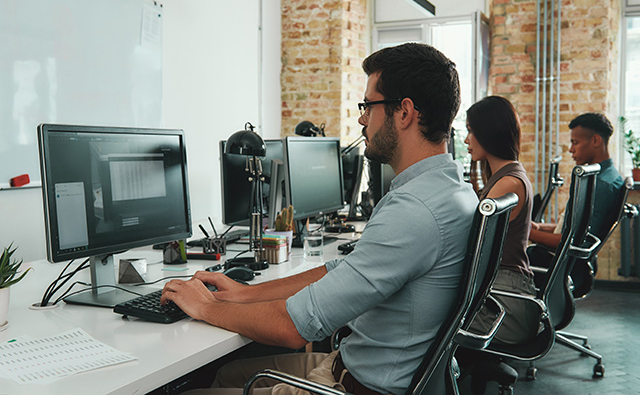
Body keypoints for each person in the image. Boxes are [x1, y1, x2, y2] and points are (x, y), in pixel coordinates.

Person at [161, 42, 478, 395]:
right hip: (359, 369)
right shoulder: (452, 192)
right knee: (227, 374)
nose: (361, 118)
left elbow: (292, 328)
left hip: (358, 387)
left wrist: (205, 306)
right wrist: (244, 294)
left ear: (404, 112)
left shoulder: (414, 210)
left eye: (368, 106)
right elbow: (342, 272)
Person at [462, 96, 538, 345]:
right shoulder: (508, 175)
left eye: (470, 131)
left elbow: (473, 244)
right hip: (502, 293)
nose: (465, 140)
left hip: (507, 306)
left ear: (488, 132)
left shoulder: (508, 183)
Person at [528, 113, 624, 249]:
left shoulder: (601, 185)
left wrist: (527, 233)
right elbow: (574, 229)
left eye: (575, 142)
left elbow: (575, 243)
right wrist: (537, 227)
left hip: (563, 263)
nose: (571, 149)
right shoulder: (608, 176)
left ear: (596, 141)